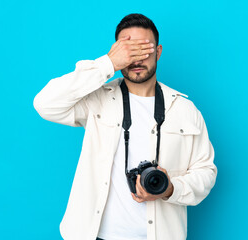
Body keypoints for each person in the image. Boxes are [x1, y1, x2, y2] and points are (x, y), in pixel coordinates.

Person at [33, 13, 217, 240]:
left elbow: (206, 172)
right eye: (130, 51)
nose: (137, 59)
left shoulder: (184, 109)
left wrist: (170, 189)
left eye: (144, 50)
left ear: (158, 52)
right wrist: (108, 63)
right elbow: (45, 104)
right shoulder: (97, 100)